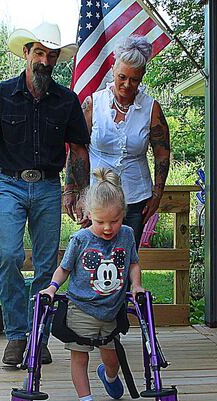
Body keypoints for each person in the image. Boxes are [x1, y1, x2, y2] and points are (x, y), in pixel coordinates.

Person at [0, 22, 91, 366]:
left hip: (48, 186)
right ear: (26, 53)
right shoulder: (0, 94)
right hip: (9, 184)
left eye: (51, 55)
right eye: (39, 52)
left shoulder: (66, 100)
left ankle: (38, 338)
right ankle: (15, 336)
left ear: (56, 60)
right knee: (9, 256)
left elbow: (80, 150)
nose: (44, 60)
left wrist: (77, 191)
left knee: (46, 265)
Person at [41, 168, 144, 401]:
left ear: (123, 213)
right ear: (88, 215)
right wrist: (52, 287)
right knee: (80, 357)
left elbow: (133, 263)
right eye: (101, 222)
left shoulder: (127, 235)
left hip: (111, 311)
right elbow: (63, 269)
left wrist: (137, 285)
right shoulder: (81, 239)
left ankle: (108, 376)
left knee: (113, 360)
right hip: (81, 309)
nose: (108, 228)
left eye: (115, 220)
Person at [72, 36, 171, 245]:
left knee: (126, 259)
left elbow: (162, 153)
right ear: (114, 72)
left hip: (136, 198)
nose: (127, 84)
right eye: (122, 77)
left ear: (142, 76)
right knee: (95, 257)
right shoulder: (93, 104)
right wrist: (76, 191)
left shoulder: (151, 109)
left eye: (134, 80)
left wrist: (157, 193)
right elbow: (77, 149)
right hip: (97, 196)